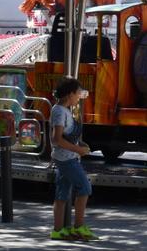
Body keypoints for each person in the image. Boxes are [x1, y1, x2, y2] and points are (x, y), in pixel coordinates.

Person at [49, 77, 96, 241]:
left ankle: (58, 230)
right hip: (66, 159)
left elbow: (67, 136)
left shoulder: (65, 110)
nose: (79, 96)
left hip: (67, 156)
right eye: (77, 93)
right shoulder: (60, 111)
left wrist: (80, 144)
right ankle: (79, 227)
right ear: (70, 94)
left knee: (62, 194)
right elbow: (57, 139)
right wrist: (78, 150)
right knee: (84, 187)